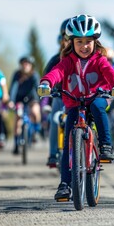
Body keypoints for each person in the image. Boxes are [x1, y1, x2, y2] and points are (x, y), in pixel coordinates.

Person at [37, 14, 114, 200]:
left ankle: (106, 145)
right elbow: (56, 73)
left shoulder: (99, 59)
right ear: (71, 42)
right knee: (69, 144)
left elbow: (110, 73)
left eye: (88, 41)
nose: (84, 46)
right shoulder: (67, 60)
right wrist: (46, 83)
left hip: (96, 97)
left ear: (95, 42)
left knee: (98, 108)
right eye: (79, 42)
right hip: (74, 103)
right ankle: (65, 185)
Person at [42, 18, 71, 168]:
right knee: (54, 119)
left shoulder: (86, 59)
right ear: (62, 40)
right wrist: (45, 90)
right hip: (60, 97)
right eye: (66, 39)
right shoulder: (56, 59)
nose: (69, 43)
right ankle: (53, 154)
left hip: (79, 99)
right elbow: (46, 77)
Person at [8, 56, 41, 155]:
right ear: (21, 65)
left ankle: (35, 132)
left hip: (32, 99)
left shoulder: (34, 75)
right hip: (19, 99)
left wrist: (40, 98)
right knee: (18, 118)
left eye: (28, 63)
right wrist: (11, 101)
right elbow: (13, 88)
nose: (26, 65)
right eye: (24, 63)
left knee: (35, 112)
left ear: (31, 66)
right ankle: (16, 144)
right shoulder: (17, 75)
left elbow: (37, 87)